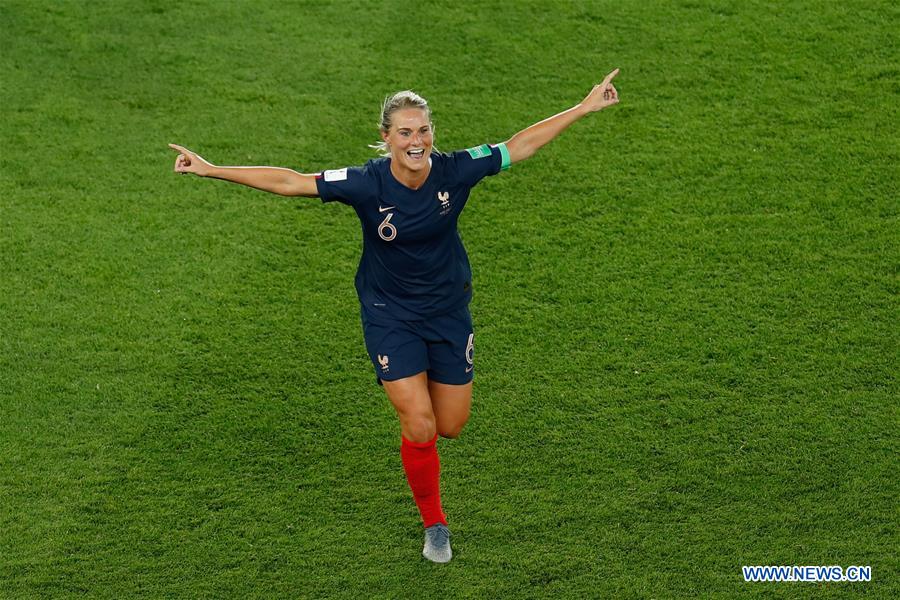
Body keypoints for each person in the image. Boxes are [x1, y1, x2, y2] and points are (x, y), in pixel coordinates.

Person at [169, 68, 619, 563]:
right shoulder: (366, 183)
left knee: (450, 425)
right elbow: (291, 181)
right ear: (386, 137)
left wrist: (583, 108)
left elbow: (519, 145)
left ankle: (418, 409)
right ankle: (435, 524)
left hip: (448, 313)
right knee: (420, 424)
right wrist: (212, 169)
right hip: (390, 315)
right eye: (405, 132)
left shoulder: (455, 170)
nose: (416, 141)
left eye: (423, 130)